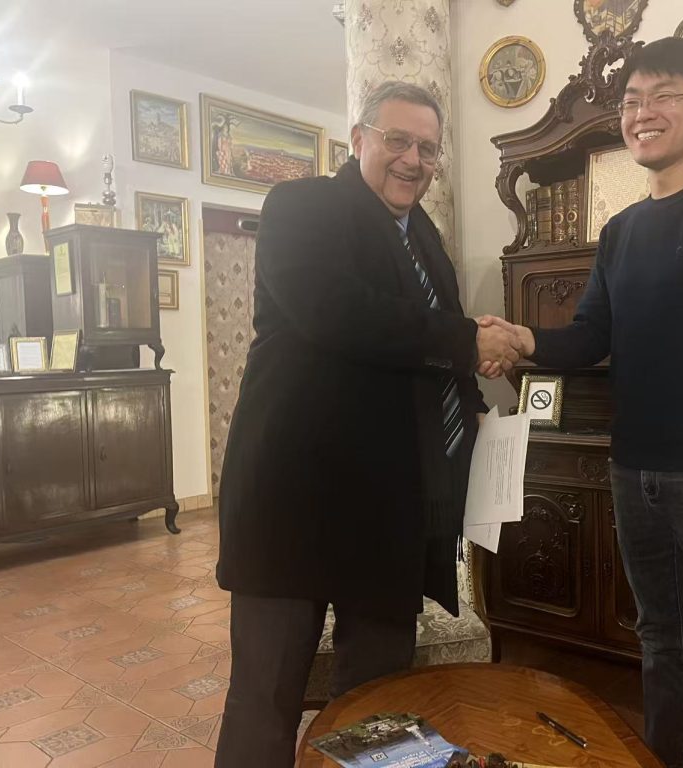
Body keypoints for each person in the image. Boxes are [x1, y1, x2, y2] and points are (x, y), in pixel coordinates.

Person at [480, 38, 683, 768]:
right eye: (631, 102)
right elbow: (589, 338)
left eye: (663, 96)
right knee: (661, 641)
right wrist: (522, 337)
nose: (642, 113)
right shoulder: (621, 231)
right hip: (635, 474)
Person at [214, 81, 522, 768]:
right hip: (292, 500)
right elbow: (339, 312)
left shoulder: (428, 240)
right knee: (264, 701)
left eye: (428, 149)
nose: (413, 160)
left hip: (388, 511)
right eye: (397, 140)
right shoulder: (301, 205)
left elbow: (437, 345)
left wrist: (473, 399)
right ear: (358, 140)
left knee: (376, 707)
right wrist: (466, 339)